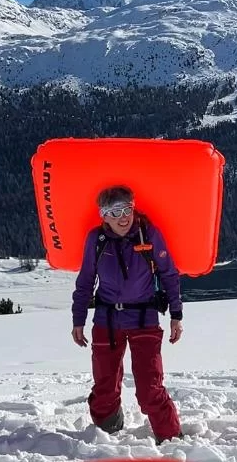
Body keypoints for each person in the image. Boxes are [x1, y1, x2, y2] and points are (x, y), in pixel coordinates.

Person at [71, 184, 184, 445]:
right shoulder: (96, 240)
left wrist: (176, 314)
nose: (123, 217)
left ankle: (171, 440)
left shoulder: (148, 234)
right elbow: (85, 281)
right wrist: (78, 320)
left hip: (145, 319)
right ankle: (108, 437)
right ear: (103, 216)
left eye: (127, 209)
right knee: (104, 389)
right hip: (106, 321)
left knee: (149, 389)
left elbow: (169, 274)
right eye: (115, 211)